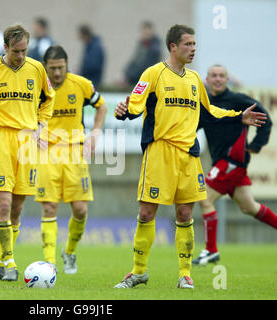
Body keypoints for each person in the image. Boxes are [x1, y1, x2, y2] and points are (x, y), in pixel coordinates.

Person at [113, 24, 267, 289]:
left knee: (185, 213)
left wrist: (237, 117)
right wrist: (123, 111)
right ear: (173, 47)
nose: (193, 49)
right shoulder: (153, 73)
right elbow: (135, 105)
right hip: (159, 152)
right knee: (147, 212)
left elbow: (210, 112)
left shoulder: (195, 79)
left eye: (195, 44)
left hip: (189, 155)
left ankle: (185, 274)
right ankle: (138, 272)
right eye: (188, 44)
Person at [0, 23, 55, 282]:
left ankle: (0, 259)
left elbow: (48, 99)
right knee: (3, 203)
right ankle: (10, 260)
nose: (21, 56)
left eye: (24, 51)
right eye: (16, 51)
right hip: (0, 140)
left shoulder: (37, 69)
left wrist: (41, 126)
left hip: (28, 141)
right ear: (5, 47)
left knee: (18, 208)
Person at [193, 65, 275, 265]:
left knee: (204, 199)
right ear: (207, 79)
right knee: (249, 207)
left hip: (231, 162)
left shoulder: (238, 100)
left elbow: (266, 120)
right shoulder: (206, 104)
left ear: (228, 79)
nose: (218, 79)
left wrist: (256, 145)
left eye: (222, 76)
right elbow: (194, 127)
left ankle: (211, 250)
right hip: (224, 162)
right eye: (214, 76)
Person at [36, 45, 108, 273]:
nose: (57, 73)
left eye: (61, 68)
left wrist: (95, 133)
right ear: (45, 68)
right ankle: (50, 262)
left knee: (80, 209)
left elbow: (102, 106)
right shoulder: (38, 87)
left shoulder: (81, 85)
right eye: (52, 69)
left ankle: (69, 252)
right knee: (49, 207)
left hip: (75, 151)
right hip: (47, 152)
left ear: (67, 65)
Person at [123, 21, 161, 87]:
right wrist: (127, 73)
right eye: (144, 31)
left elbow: (146, 66)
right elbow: (134, 60)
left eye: (148, 31)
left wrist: (130, 77)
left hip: (145, 81)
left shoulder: (155, 48)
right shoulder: (141, 44)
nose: (146, 33)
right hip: (137, 79)